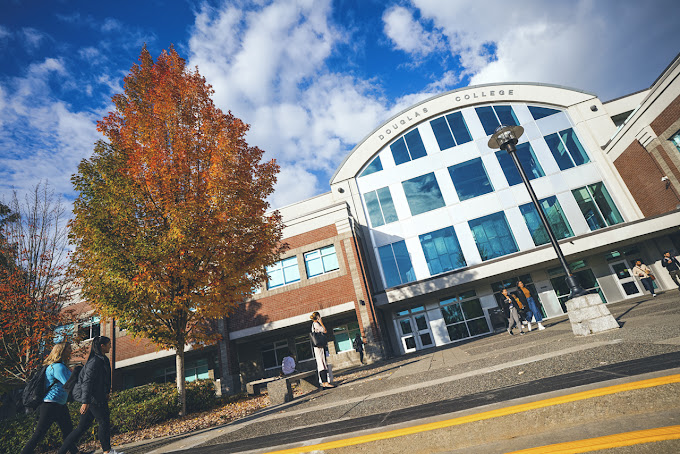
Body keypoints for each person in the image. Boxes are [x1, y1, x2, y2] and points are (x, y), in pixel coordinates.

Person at [58, 336, 124, 454]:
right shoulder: (95, 361)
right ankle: (107, 451)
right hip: (93, 398)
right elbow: (87, 382)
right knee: (103, 421)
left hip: (96, 397)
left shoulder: (102, 359)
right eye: (108, 344)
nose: (110, 346)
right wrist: (85, 402)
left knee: (81, 428)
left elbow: (104, 379)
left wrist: (106, 392)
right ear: (102, 346)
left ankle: (61, 452)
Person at [21, 343, 79, 454]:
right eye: (68, 349)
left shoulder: (60, 366)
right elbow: (69, 384)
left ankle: (75, 452)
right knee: (39, 434)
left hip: (59, 404)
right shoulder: (58, 367)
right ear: (61, 351)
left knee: (68, 432)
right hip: (50, 405)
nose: (70, 351)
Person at [310, 312, 334, 388]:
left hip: (317, 347)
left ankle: (324, 382)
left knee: (321, 363)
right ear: (317, 317)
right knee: (322, 363)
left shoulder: (313, 325)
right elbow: (325, 331)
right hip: (319, 347)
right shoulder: (316, 324)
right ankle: (325, 382)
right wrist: (321, 323)